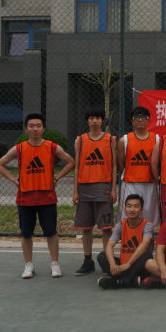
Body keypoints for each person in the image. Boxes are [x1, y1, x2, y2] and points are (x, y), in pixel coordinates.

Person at [0, 113, 75, 279]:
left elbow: (71, 162)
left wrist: (57, 178)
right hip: (25, 198)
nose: (35, 129)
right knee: (26, 233)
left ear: (43, 128)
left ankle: (55, 264)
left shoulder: (52, 147)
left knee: (51, 232)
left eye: (38, 126)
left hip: (47, 197)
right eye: (31, 126)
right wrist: (14, 180)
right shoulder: (19, 148)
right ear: (26, 129)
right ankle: (28, 265)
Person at [71, 106, 117, 277]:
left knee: (106, 228)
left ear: (102, 121)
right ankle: (88, 260)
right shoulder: (80, 141)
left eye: (98, 118)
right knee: (86, 228)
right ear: (87, 121)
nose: (95, 121)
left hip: (103, 189)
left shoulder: (111, 140)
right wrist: (75, 191)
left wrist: (113, 189)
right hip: (84, 189)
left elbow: (114, 166)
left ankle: (106, 261)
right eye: (91, 118)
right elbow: (77, 167)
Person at [96, 194, 153, 289]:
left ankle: (118, 281)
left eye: (136, 206)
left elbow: (145, 245)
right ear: (125, 209)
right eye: (129, 206)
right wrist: (113, 264)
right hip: (123, 265)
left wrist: (128, 264)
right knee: (102, 256)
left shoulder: (147, 225)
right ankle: (131, 280)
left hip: (139, 265)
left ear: (141, 210)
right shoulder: (121, 225)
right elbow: (109, 245)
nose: (132, 209)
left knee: (146, 252)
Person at [117, 106, 161, 226]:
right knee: (128, 215)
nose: (140, 120)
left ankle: (148, 236)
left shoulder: (157, 139)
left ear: (149, 120)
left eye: (143, 117)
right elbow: (121, 164)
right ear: (132, 121)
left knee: (149, 217)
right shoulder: (124, 140)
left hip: (150, 183)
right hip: (131, 184)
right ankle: (128, 236)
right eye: (136, 117)